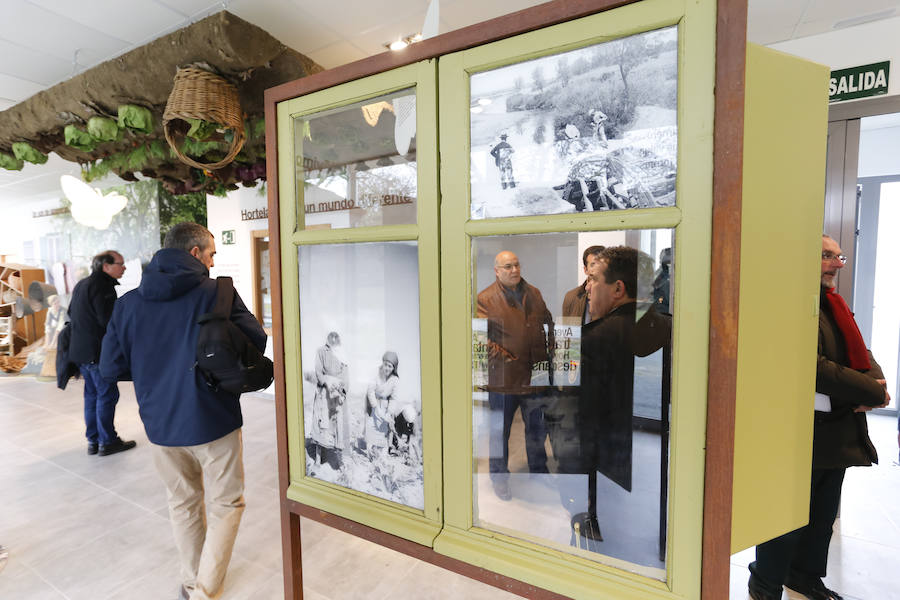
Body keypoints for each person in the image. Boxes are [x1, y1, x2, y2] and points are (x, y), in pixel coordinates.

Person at [100, 222, 266, 600]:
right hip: (214, 417)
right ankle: (206, 590)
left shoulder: (129, 303)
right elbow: (256, 338)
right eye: (210, 254)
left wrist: (152, 373)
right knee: (226, 503)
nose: (211, 262)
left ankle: (193, 582)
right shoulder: (216, 293)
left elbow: (110, 367)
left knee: (183, 503)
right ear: (194, 253)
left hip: (160, 423)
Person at [747, 235, 890, 600]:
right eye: (827, 255)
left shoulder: (832, 304)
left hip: (835, 431)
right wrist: (871, 391)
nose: (837, 264)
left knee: (821, 516)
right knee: (784, 519)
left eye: (838, 256)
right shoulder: (788, 302)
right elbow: (814, 368)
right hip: (797, 432)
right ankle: (765, 583)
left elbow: (859, 348)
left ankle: (804, 576)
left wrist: (875, 381)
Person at [576, 246, 670, 542]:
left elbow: (583, 411)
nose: (587, 288)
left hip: (605, 455)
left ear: (618, 288)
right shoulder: (666, 324)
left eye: (593, 280)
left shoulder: (595, 338)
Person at [477, 250, 554, 500]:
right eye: (508, 266)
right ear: (497, 271)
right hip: (504, 382)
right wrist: (511, 361)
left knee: (537, 428)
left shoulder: (534, 293)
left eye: (517, 265)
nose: (514, 270)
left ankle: (539, 471)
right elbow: (480, 342)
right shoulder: (485, 299)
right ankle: (499, 478)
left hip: (536, 377)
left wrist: (549, 351)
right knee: (500, 432)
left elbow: (548, 324)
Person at [67, 250, 134, 456]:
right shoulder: (103, 287)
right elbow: (108, 321)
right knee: (106, 395)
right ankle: (108, 441)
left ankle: (94, 441)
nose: (124, 268)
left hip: (80, 352)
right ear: (106, 266)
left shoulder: (83, 284)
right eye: (120, 264)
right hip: (97, 353)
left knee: (92, 396)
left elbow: (70, 313)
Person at [310, 331, 348, 470]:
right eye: (331, 336)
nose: (333, 338)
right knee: (322, 423)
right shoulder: (321, 351)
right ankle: (318, 458)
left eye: (336, 336)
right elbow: (318, 371)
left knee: (337, 424)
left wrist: (343, 392)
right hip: (324, 392)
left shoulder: (342, 354)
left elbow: (345, 374)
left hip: (337, 394)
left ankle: (339, 459)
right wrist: (326, 383)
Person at [365, 351, 400, 460]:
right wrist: (375, 407)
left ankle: (383, 451)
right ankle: (369, 450)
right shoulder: (376, 374)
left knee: (384, 429)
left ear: (393, 368)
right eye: (385, 365)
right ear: (382, 363)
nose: (387, 368)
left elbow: (394, 398)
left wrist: (389, 413)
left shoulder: (395, 380)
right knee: (372, 425)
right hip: (373, 402)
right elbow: (370, 391)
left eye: (390, 366)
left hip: (386, 405)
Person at [561, 245, 605, 324]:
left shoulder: (612, 296)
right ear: (585, 269)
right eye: (593, 264)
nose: (598, 268)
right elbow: (568, 332)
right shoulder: (571, 297)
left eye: (601, 264)